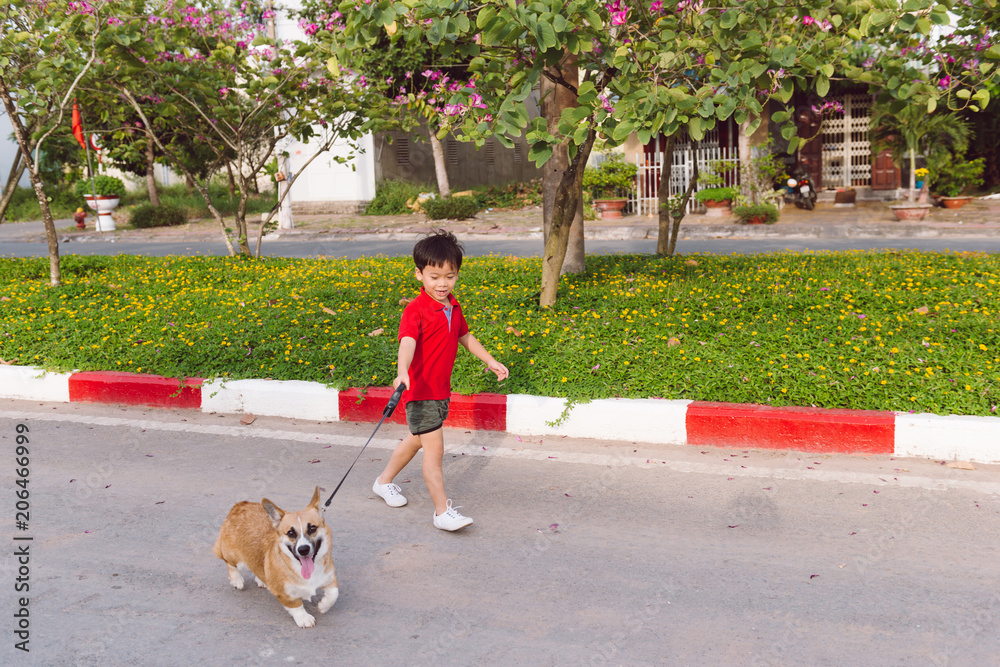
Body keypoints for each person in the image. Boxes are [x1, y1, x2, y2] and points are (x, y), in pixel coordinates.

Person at [372, 230, 509, 531]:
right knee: (434, 452)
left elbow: (465, 336)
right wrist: (402, 370)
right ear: (419, 274)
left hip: (439, 392)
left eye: (450, 276)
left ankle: (383, 482)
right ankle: (441, 512)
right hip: (420, 392)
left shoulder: (453, 306)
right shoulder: (416, 309)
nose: (443, 283)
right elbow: (407, 342)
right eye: (434, 277)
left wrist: (490, 360)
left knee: (415, 441)